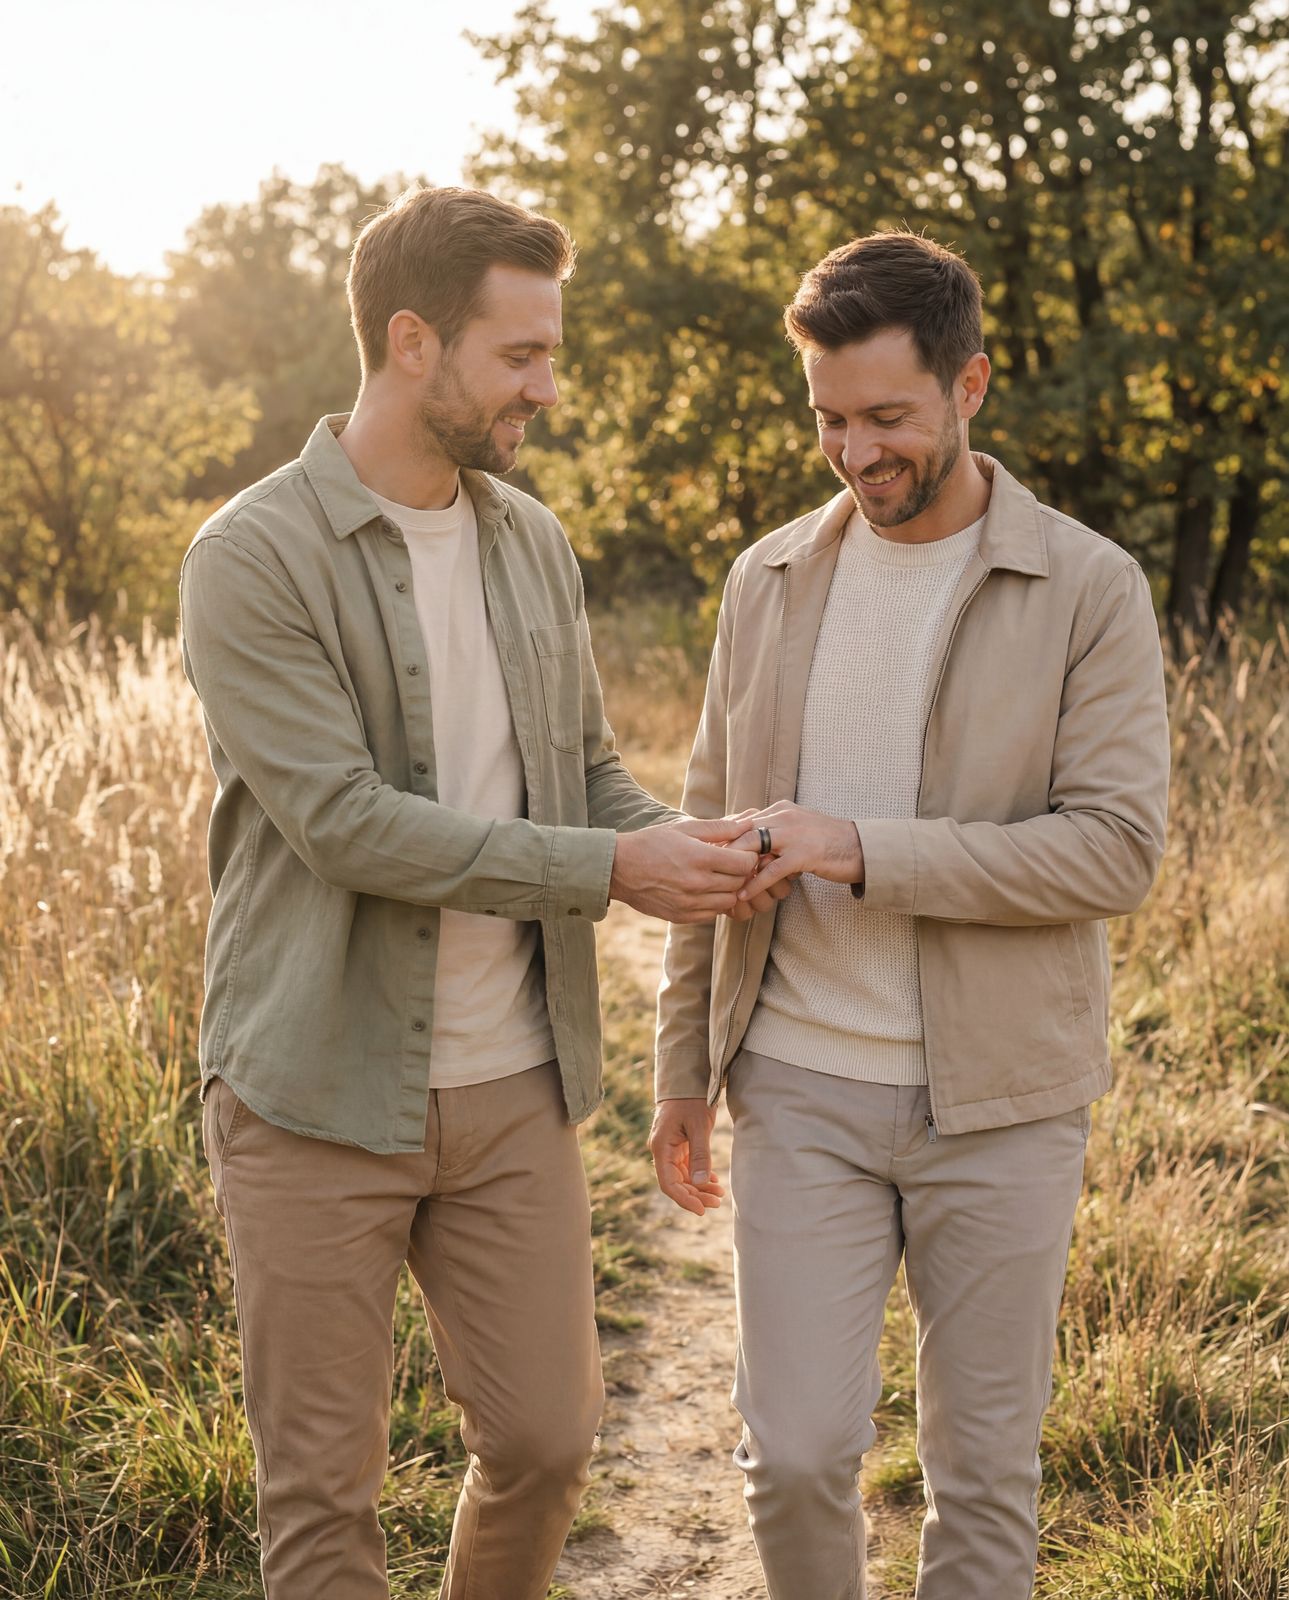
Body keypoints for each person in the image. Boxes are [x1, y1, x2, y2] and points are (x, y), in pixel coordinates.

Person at [179, 185, 758, 1600]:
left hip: (512, 1086)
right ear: (412, 342)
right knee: (322, 1498)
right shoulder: (250, 556)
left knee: (551, 1441)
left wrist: (696, 844)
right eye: (520, 356)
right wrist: (608, 870)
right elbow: (347, 826)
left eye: (550, 354)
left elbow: (579, 770)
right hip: (313, 1091)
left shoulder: (528, 542)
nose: (546, 390)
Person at [649, 229, 1170, 1599]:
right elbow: (703, 833)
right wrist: (680, 1073)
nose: (854, 450)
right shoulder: (763, 582)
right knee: (800, 1454)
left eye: (886, 416)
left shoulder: (1087, 588)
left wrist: (856, 848)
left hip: (998, 1103)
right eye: (828, 418)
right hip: (795, 1084)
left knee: (983, 1477)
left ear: (968, 387)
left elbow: (1112, 853)